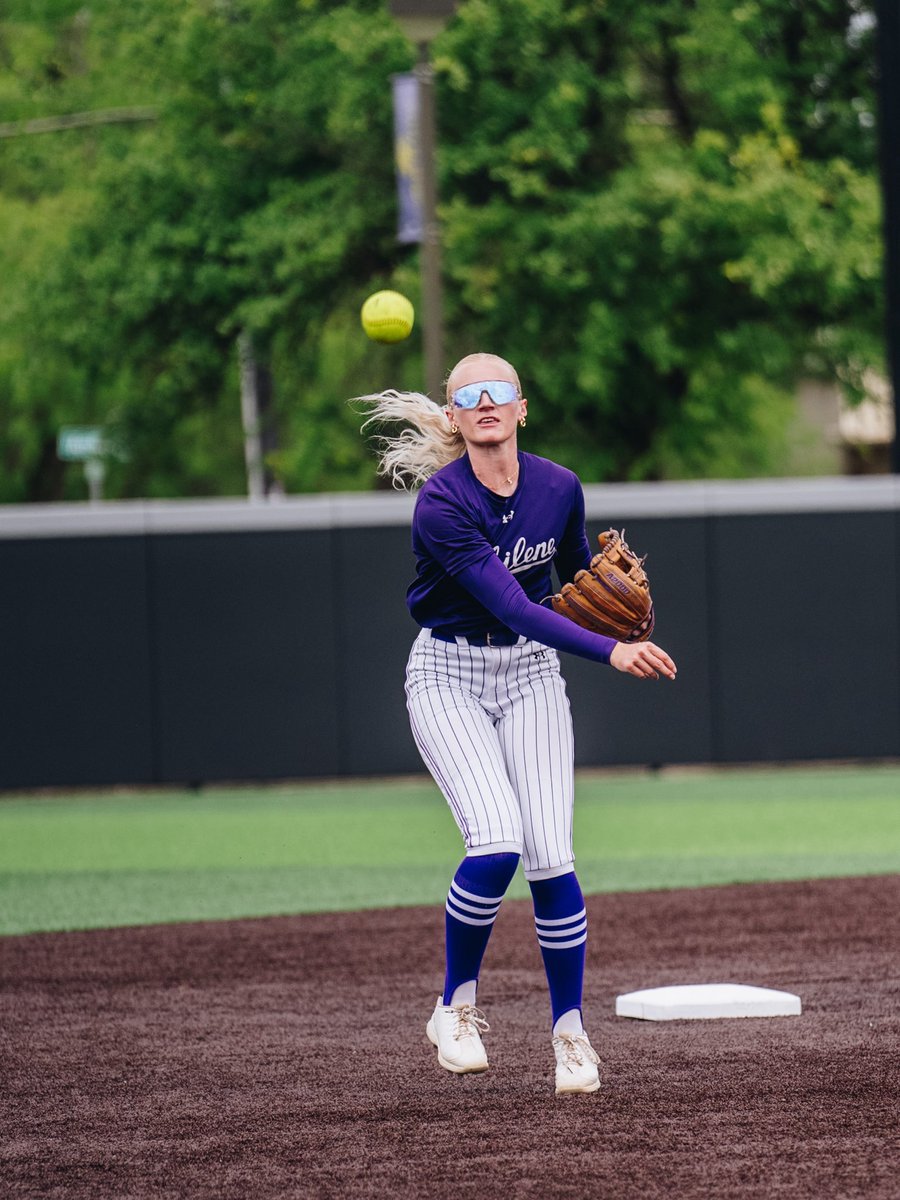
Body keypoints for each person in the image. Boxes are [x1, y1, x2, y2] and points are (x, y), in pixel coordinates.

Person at [358, 352, 677, 1096]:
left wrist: (605, 600)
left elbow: (567, 580)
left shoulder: (559, 487)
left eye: (499, 390)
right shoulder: (441, 504)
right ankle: (455, 1007)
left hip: (531, 673)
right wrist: (613, 648)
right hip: (449, 674)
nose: (486, 401)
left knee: (550, 856)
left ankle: (570, 1033)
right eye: (469, 395)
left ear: (522, 408)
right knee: (495, 839)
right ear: (455, 418)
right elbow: (511, 606)